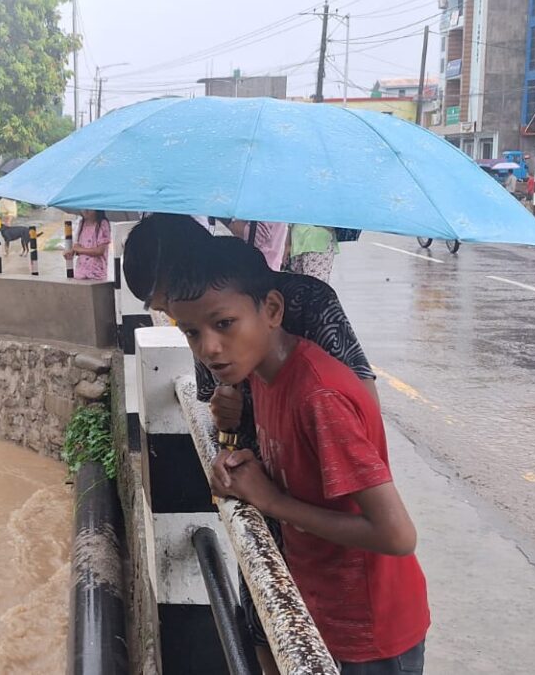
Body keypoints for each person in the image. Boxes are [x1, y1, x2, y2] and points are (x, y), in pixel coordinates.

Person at [161, 240, 429, 674]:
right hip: (321, 607)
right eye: (191, 332)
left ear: (271, 310)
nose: (208, 348)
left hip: (369, 630)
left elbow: (397, 536)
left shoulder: (317, 396)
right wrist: (241, 468)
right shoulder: (265, 377)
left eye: (224, 323)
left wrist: (270, 502)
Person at [64, 209, 111, 280]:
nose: (85, 210)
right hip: (80, 273)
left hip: (96, 274)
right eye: (83, 208)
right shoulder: (81, 223)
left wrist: (80, 250)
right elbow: (77, 246)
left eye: (89, 208)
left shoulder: (102, 224)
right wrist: (71, 252)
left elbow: (100, 251)